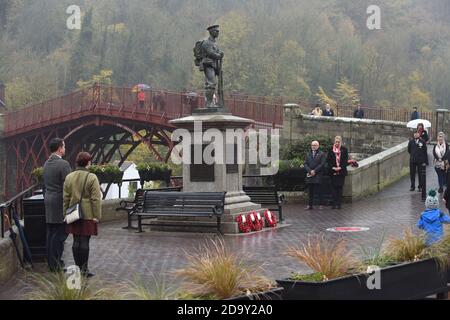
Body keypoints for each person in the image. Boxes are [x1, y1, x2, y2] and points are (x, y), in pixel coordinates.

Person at [63, 152, 102, 278]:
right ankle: (84, 269)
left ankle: (77, 268)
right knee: (85, 240)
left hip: (73, 212)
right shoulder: (92, 177)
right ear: (88, 162)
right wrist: (97, 215)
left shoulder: (69, 177)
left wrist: (65, 214)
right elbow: (95, 198)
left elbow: (66, 198)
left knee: (76, 240)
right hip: (87, 214)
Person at [43, 138, 71, 272]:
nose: (65, 149)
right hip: (59, 203)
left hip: (48, 200)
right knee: (60, 234)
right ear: (60, 148)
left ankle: (52, 262)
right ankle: (56, 264)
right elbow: (68, 186)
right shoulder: (63, 164)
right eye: (64, 146)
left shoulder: (46, 164)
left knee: (51, 233)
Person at [197, 25, 224, 108]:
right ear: (211, 32)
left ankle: (212, 102)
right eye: (216, 31)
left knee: (213, 83)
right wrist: (219, 55)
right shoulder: (206, 43)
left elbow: (217, 52)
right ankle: (209, 103)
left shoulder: (215, 43)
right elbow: (210, 53)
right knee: (211, 83)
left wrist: (220, 54)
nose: (218, 32)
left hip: (214, 65)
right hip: (208, 64)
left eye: (218, 31)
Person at [326, 136, 349, 209]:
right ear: (334, 142)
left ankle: (339, 204)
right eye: (336, 142)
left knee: (340, 188)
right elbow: (328, 160)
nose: (337, 143)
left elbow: (345, 161)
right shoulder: (330, 150)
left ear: (340, 142)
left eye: (339, 142)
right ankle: (334, 204)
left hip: (341, 172)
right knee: (333, 189)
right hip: (333, 172)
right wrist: (333, 168)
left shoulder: (344, 150)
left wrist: (340, 167)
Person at [304, 141, 326, 210]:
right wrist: (310, 171)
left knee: (319, 190)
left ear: (318, 146)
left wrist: (315, 171)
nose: (313, 146)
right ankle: (310, 205)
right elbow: (305, 164)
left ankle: (321, 204)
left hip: (318, 174)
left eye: (315, 145)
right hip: (310, 175)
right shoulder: (308, 154)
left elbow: (322, 164)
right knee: (310, 191)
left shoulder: (321, 154)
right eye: (312, 145)